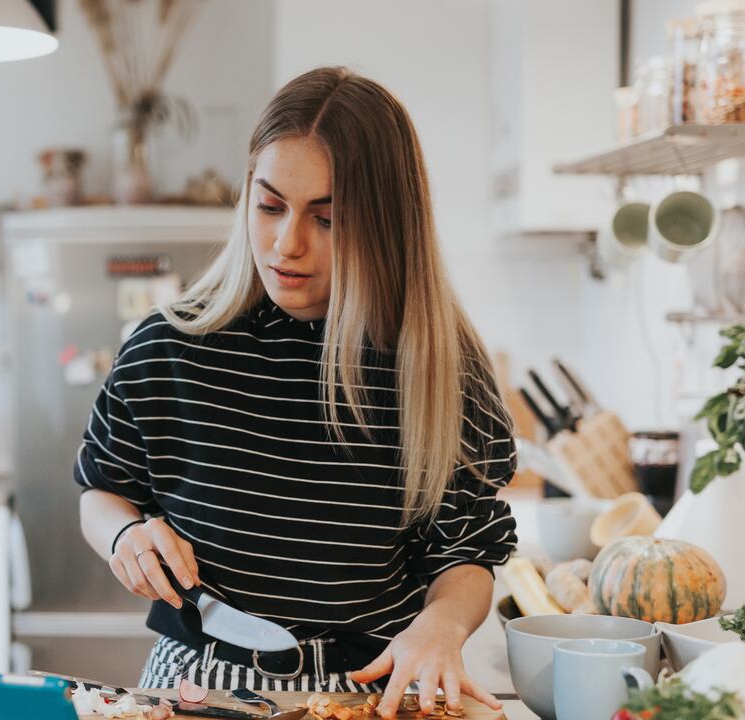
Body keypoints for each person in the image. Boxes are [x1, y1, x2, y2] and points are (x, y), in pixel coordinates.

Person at [74, 66, 517, 719]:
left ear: (388, 223)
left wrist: (442, 627)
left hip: (370, 690)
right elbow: (103, 490)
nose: (287, 245)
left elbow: (467, 550)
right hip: (198, 679)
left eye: (328, 218)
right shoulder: (169, 347)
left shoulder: (441, 370)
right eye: (270, 205)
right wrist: (123, 536)